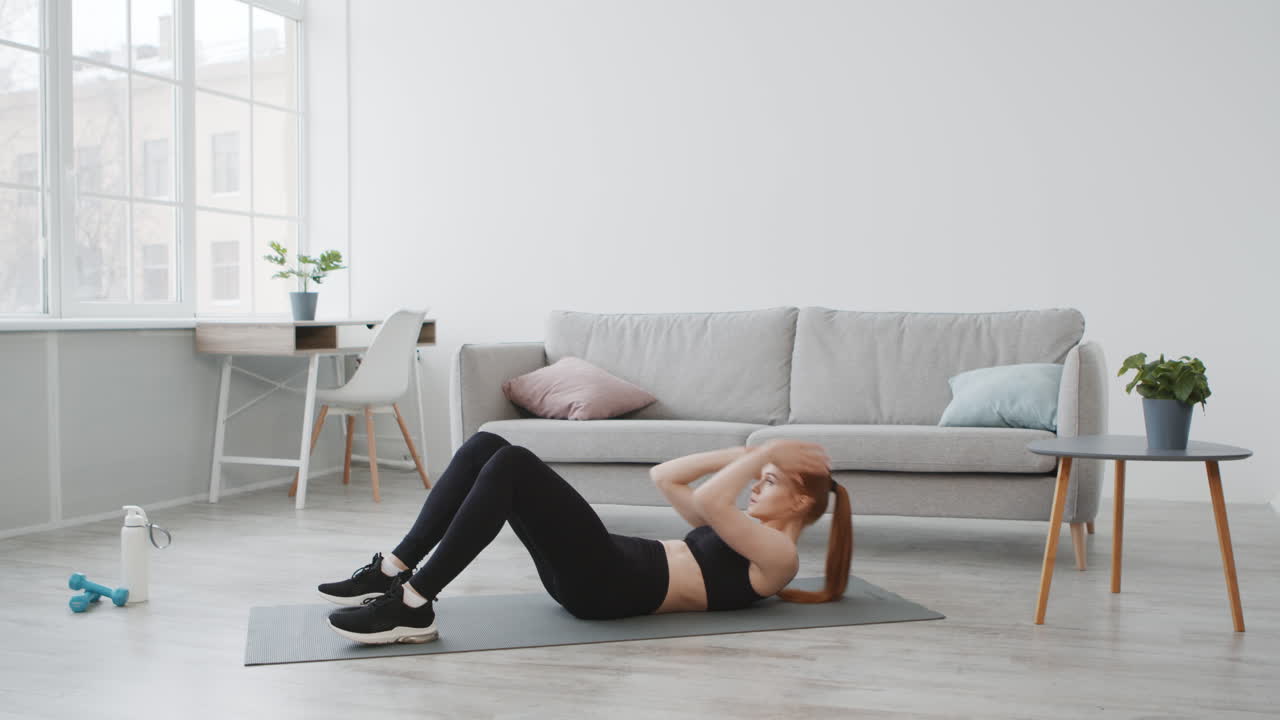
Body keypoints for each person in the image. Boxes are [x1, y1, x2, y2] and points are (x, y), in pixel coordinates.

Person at [319, 430, 853, 645]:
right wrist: (747, 454)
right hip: (603, 568)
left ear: (802, 504)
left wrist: (763, 453)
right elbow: (665, 475)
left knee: (513, 464)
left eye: (771, 481)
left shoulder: (778, 555)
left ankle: (414, 604)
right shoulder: (749, 536)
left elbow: (714, 501)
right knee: (488, 446)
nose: (758, 484)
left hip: (611, 583)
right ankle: (394, 568)